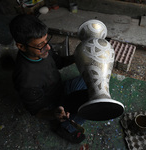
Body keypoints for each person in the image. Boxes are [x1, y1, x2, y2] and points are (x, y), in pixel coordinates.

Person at [9, 14, 88, 143]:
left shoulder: (42, 48)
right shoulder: (26, 80)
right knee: (89, 107)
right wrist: (54, 114)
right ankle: (65, 128)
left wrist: (78, 56)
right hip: (53, 104)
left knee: (90, 79)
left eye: (46, 40)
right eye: (40, 44)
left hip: (59, 87)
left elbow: (58, 62)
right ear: (21, 46)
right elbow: (37, 111)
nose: (48, 47)